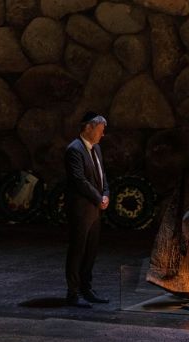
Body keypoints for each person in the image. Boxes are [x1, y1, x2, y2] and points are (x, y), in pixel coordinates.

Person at [64, 111, 110, 308]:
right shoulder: (74, 150)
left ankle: (86, 288)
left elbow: (102, 176)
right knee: (77, 251)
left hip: (95, 209)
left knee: (91, 251)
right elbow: (79, 180)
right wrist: (98, 197)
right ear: (89, 127)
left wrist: (106, 193)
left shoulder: (96, 149)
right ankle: (73, 293)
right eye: (100, 130)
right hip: (81, 210)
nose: (102, 134)